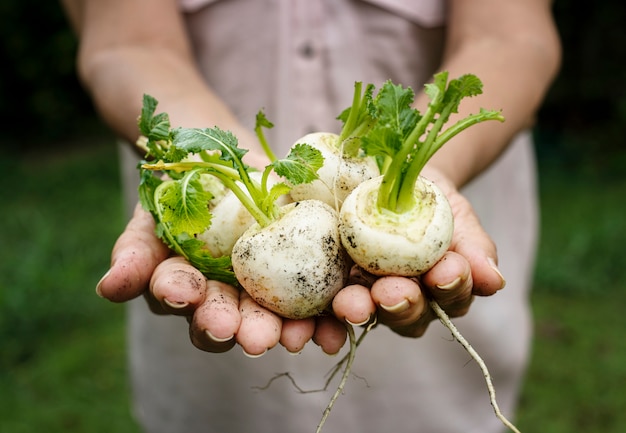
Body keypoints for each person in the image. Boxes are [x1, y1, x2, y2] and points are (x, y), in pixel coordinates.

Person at [61, 0, 561, 432]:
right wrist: (204, 161)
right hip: (217, 368)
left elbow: (511, 37)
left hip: (450, 202)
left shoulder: (368, 182)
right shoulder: (272, 202)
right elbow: (128, 43)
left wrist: (427, 170)